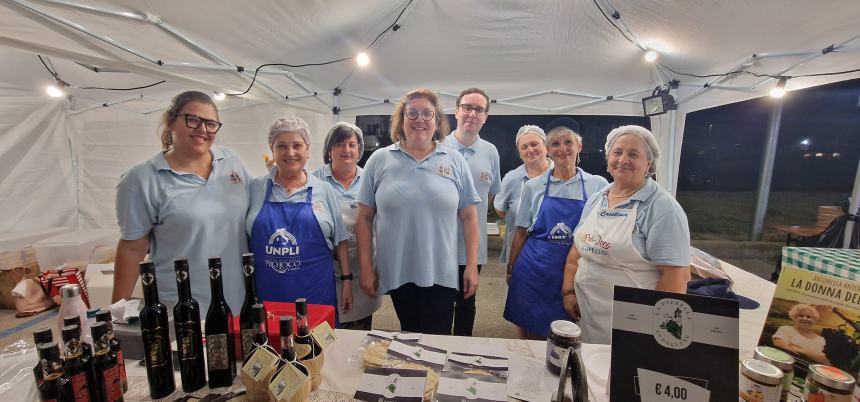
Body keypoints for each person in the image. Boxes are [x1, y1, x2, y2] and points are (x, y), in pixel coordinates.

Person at [356, 88, 481, 335]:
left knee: (437, 339)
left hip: (441, 270)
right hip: (398, 269)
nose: (419, 119)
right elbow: (364, 218)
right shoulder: (380, 160)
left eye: (427, 113)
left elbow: (469, 217)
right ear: (401, 120)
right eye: (411, 113)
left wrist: (470, 265)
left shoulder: (454, 160)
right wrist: (366, 268)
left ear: (437, 122)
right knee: (409, 335)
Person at [113, 91, 250, 313]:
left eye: (211, 124)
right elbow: (132, 249)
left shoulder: (230, 161)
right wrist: (116, 312)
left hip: (237, 303)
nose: (203, 130)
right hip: (184, 309)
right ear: (170, 122)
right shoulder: (142, 179)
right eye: (193, 120)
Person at [562, 125, 691, 345]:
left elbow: (676, 277)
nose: (623, 160)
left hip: (633, 323)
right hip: (588, 311)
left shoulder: (661, 207)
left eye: (633, 154)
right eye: (617, 152)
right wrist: (569, 291)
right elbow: (577, 249)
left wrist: (654, 328)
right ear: (608, 158)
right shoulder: (598, 198)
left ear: (648, 164)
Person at [503, 118, 608, 339]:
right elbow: (521, 231)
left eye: (568, 142)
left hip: (575, 272)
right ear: (548, 150)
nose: (562, 149)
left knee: (571, 335)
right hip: (534, 270)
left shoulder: (597, 185)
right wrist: (511, 268)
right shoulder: (533, 186)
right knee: (530, 334)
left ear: (579, 145)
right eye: (555, 144)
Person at [247, 116, 352, 317]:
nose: (290, 153)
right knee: (270, 346)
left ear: (307, 149)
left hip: (316, 295)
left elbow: (340, 241)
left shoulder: (324, 190)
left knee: (317, 347)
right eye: (282, 146)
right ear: (272, 148)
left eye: (297, 145)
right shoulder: (255, 188)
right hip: (266, 297)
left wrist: (346, 281)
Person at [442, 88, 502, 336]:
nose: (472, 113)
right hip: (439, 245)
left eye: (479, 109)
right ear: (457, 110)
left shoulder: (490, 152)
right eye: (467, 107)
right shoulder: (438, 147)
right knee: (440, 306)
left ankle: (460, 359)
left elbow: (488, 198)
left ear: (485, 117)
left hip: (471, 249)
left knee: (467, 304)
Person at [310, 122, 381, 330]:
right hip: (325, 272)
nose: (346, 150)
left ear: (359, 150)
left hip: (362, 270)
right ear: (329, 150)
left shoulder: (370, 179)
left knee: (358, 335)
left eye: (352, 144)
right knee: (324, 331)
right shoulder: (313, 180)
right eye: (339, 144)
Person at [494, 125, 553, 265]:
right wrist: (516, 221)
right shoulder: (512, 178)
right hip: (519, 249)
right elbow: (500, 208)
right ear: (520, 153)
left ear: (546, 146)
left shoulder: (560, 175)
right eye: (524, 147)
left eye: (534, 144)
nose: (530, 150)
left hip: (552, 249)